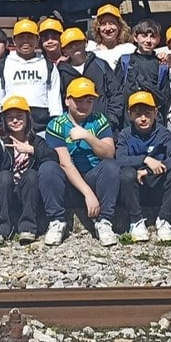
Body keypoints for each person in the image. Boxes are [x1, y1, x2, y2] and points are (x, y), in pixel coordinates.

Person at [40, 77, 118, 247]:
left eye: (89, 101)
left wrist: (88, 136)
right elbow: (65, 163)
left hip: (93, 174)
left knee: (111, 167)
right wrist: (88, 194)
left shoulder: (99, 120)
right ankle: (56, 221)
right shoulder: (56, 125)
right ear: (67, 100)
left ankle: (104, 221)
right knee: (48, 168)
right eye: (78, 100)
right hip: (69, 179)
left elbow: (109, 153)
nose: (84, 105)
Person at [0, 95, 59, 244]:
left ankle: (28, 227)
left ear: (27, 118)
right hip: (6, 192)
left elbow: (53, 157)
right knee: (4, 175)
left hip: (29, 192)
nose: (15, 120)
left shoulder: (37, 141)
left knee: (31, 174)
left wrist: (31, 150)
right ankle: (3, 228)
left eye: (19, 116)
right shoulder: (0, 142)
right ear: (4, 120)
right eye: (10, 117)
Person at [115, 91, 171, 243]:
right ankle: (136, 221)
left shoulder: (163, 133)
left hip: (158, 186)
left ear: (155, 112)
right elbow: (120, 160)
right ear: (129, 114)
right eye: (137, 113)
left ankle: (164, 219)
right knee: (127, 174)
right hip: (135, 189)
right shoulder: (125, 134)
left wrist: (149, 171)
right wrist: (146, 159)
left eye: (148, 113)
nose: (143, 118)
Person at [0, 19, 62, 133]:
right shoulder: (2, 65)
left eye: (30, 37)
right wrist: (0, 129)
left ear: (37, 40)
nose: (26, 41)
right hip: (10, 127)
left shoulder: (48, 66)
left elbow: (55, 103)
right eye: (21, 37)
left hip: (41, 130)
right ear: (13, 40)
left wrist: (54, 129)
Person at [55, 27, 125, 130]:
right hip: (73, 129)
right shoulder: (60, 72)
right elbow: (59, 102)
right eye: (69, 45)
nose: (74, 47)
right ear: (64, 50)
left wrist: (110, 121)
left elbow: (116, 93)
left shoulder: (100, 64)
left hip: (103, 126)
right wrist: (68, 127)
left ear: (86, 43)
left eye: (77, 43)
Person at [121, 19, 171, 126]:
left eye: (153, 37)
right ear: (135, 37)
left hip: (154, 122)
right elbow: (117, 93)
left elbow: (165, 97)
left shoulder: (161, 65)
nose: (148, 40)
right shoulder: (125, 61)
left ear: (158, 40)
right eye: (144, 36)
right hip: (129, 122)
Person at [87, 3, 135, 70]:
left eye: (111, 23)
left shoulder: (129, 50)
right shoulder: (90, 50)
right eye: (103, 24)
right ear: (98, 27)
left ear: (119, 26)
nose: (107, 28)